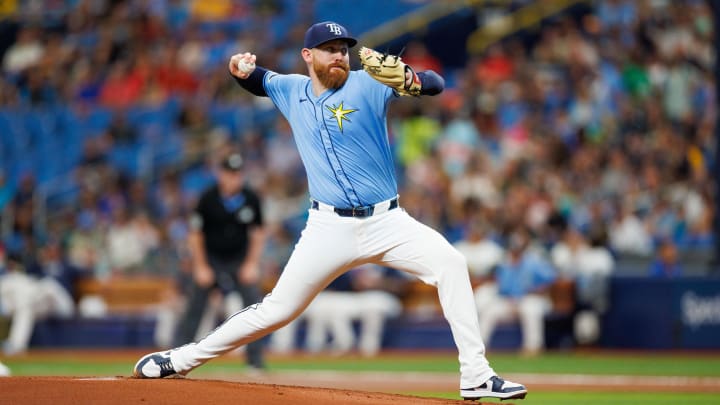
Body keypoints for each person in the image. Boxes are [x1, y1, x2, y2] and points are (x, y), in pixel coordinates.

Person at [134, 21, 527, 401]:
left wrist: (414, 81)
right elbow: (258, 80)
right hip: (327, 228)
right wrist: (240, 70)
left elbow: (436, 85)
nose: (340, 56)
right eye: (330, 50)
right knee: (276, 310)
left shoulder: (369, 82)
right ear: (308, 56)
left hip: (387, 221)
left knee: (451, 264)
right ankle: (179, 359)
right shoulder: (292, 89)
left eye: (344, 50)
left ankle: (475, 375)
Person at [171, 148, 267, 370]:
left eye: (238, 173)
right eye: (230, 173)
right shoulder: (208, 198)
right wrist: (201, 266)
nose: (234, 178)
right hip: (212, 258)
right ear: (220, 174)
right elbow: (195, 234)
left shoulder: (250, 198)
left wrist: (252, 264)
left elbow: (258, 233)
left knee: (254, 306)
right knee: (195, 306)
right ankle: (176, 356)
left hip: (239, 259)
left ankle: (255, 360)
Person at [477, 226, 557, 356]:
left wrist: (537, 290)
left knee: (531, 310)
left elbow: (551, 278)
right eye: (513, 249)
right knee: (490, 312)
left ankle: (533, 347)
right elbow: (502, 288)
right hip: (510, 301)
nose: (515, 252)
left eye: (517, 249)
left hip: (532, 298)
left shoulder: (533, 261)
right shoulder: (505, 265)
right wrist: (511, 300)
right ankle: (479, 349)